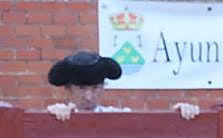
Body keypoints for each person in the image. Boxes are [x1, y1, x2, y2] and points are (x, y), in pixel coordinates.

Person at [45, 51, 200, 122]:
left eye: (95, 88)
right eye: (81, 88)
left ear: (104, 86)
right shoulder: (57, 114)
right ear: (68, 89)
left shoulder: (119, 116)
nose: (89, 97)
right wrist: (51, 120)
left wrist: (178, 116)